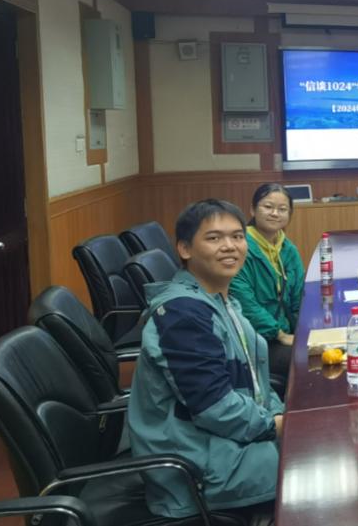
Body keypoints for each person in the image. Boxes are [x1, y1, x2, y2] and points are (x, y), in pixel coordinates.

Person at [127, 199, 284, 519]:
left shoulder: (220, 300)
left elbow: (257, 384)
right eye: (214, 238)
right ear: (184, 249)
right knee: (323, 471)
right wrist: (275, 425)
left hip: (226, 444)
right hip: (198, 470)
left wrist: (281, 415)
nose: (230, 246)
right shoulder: (184, 314)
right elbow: (214, 407)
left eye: (237, 236)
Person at [231, 183, 304, 376]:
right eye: (268, 207)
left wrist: (303, 331)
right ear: (253, 209)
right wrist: (280, 335)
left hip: (287, 332)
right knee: (309, 360)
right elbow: (245, 305)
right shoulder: (240, 249)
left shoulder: (288, 248)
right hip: (258, 340)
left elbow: (299, 296)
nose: (275, 213)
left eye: (282, 209)